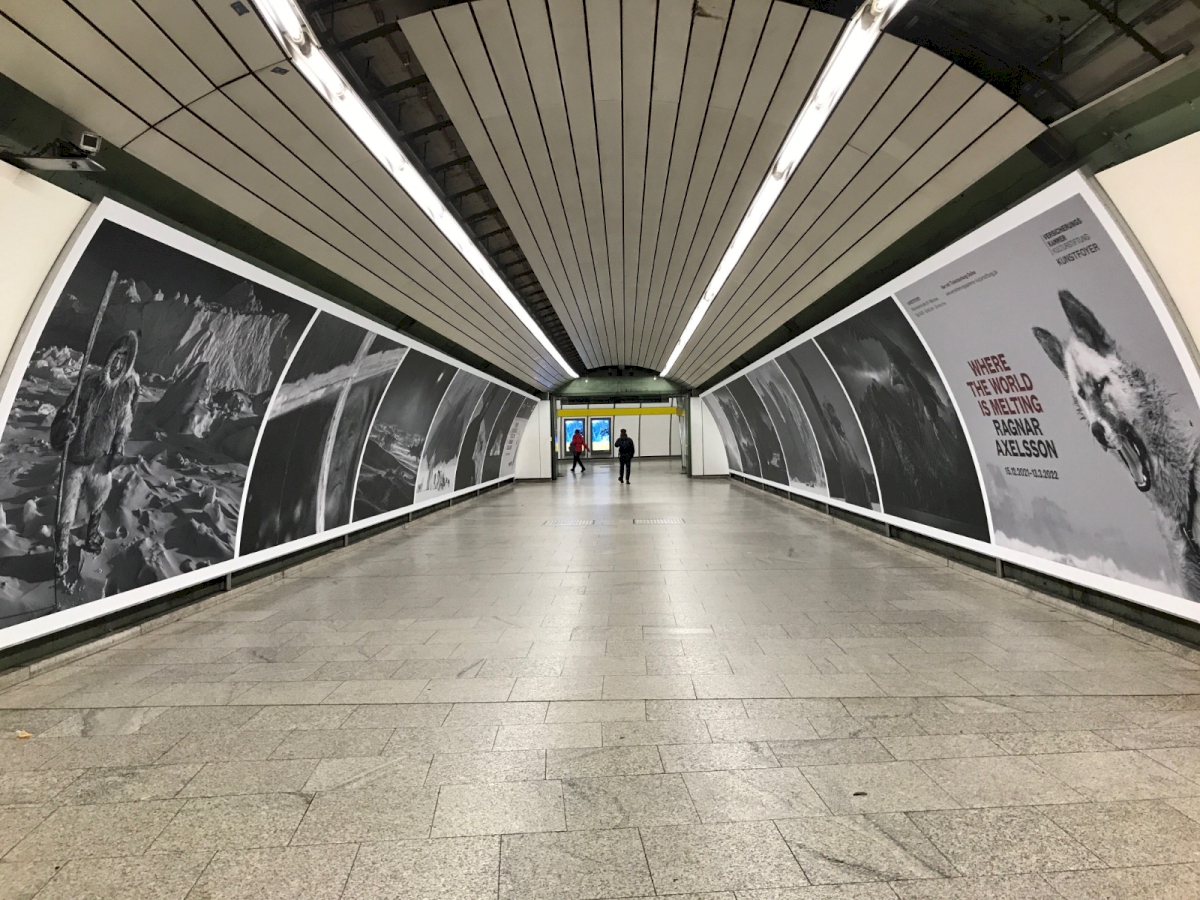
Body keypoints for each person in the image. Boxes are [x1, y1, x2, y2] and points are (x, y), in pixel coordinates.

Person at [50, 332, 140, 583]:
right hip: (76, 458)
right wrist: (64, 429)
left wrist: (117, 450)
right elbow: (63, 414)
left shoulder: (124, 393)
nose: (119, 364)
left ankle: (91, 537)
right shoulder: (87, 384)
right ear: (110, 359)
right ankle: (61, 555)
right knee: (66, 508)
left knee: (98, 498)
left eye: (125, 360)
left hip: (99, 460)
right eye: (116, 357)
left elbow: (123, 426)